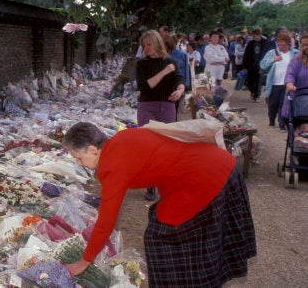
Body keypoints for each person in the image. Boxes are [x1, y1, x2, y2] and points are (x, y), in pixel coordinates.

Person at [62, 122, 257, 287]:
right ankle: (203, 276)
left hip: (206, 177)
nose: (79, 164)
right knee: (167, 222)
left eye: (79, 158)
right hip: (217, 166)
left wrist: (85, 261)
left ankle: (194, 280)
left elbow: (106, 222)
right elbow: (163, 162)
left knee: (161, 236)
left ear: (92, 149)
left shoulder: (112, 165)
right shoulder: (120, 140)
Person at [135, 30, 185, 201]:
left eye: (148, 44)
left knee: (168, 144)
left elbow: (179, 79)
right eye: (144, 45)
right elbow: (145, 87)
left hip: (167, 106)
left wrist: (180, 90)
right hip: (147, 106)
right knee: (149, 146)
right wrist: (164, 72)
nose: (146, 48)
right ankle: (150, 185)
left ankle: (165, 182)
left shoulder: (171, 62)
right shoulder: (142, 64)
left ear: (156, 43)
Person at [261, 33, 299, 132]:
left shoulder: (295, 53)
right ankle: (271, 119)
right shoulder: (272, 52)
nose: (279, 44)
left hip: (287, 83)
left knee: (283, 104)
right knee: (272, 104)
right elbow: (263, 65)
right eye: (278, 42)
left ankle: (282, 124)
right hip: (274, 83)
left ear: (287, 42)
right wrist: (273, 60)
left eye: (281, 42)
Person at [283, 33, 308, 121]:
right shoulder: (296, 60)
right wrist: (289, 84)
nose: (306, 47)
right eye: (304, 45)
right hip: (297, 104)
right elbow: (290, 73)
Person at [242, 27, 269, 102]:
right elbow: (246, 55)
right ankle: (252, 92)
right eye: (253, 36)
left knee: (258, 81)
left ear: (259, 35)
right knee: (251, 81)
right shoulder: (250, 43)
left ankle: (257, 96)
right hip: (251, 65)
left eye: (255, 36)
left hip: (260, 65)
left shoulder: (265, 43)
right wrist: (244, 66)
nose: (253, 37)